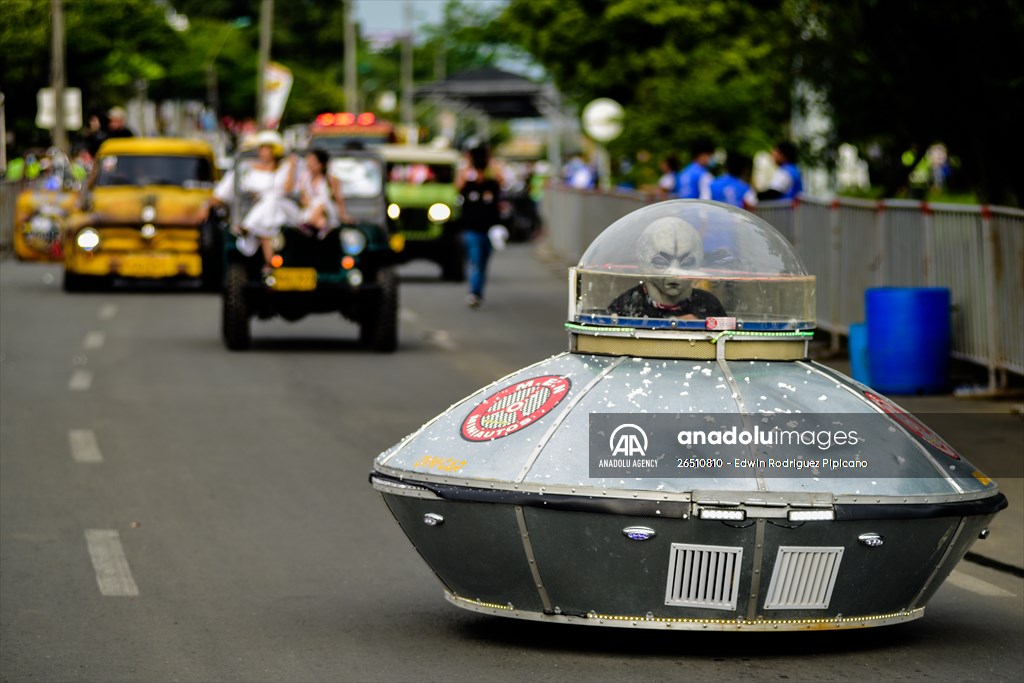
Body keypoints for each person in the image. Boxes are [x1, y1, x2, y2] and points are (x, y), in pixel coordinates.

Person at [205, 130, 300, 274]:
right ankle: (269, 259)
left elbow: (288, 190)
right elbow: (221, 194)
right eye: (261, 147)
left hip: (283, 214)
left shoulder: (286, 168)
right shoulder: (245, 169)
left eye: (267, 147)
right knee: (267, 217)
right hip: (263, 217)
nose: (263, 151)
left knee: (271, 199)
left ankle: (249, 227)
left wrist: (292, 167)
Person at [608, 216, 726, 320]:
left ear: (699, 262)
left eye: (686, 263)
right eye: (661, 262)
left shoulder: (708, 305)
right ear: (643, 261)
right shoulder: (628, 305)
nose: (674, 273)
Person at [456, 143, 504, 308]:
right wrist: (469, 162)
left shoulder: (491, 185)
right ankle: (474, 293)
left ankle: (478, 292)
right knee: (476, 261)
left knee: (483, 263)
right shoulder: (468, 185)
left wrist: (489, 160)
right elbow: (458, 183)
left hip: (489, 232)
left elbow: (501, 178)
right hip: (472, 231)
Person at [298, 148, 351, 239]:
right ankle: (321, 227)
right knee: (320, 220)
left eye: (313, 161)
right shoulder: (304, 179)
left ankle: (309, 224)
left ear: (321, 164)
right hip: (312, 210)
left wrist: (343, 214)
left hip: (327, 209)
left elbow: (338, 197)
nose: (309, 164)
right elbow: (303, 197)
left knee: (322, 202)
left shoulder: (331, 179)